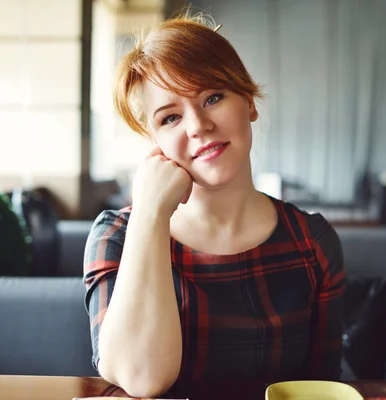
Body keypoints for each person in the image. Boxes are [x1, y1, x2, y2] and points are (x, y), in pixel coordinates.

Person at [82, 12, 345, 398]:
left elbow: (323, 388)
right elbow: (141, 380)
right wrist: (150, 213)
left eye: (213, 97)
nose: (197, 125)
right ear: (154, 141)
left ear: (249, 102)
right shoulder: (116, 237)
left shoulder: (312, 241)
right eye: (170, 117)